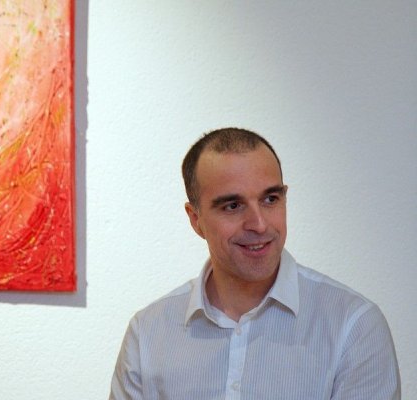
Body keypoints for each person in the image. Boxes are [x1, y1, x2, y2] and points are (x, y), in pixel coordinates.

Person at [109, 128, 400, 399]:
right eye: (233, 206)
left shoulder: (353, 326)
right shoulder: (147, 333)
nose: (259, 224)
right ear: (195, 220)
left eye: (270, 199)